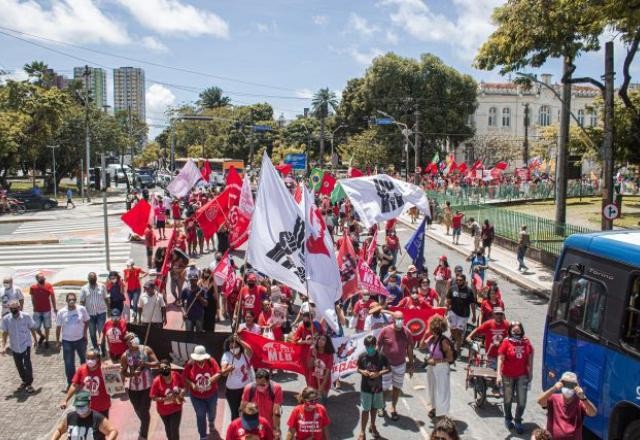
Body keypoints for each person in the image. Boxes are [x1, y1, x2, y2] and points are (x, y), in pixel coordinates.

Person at [497, 321, 534, 434]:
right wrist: (498, 374)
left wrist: (531, 372)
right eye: (514, 330)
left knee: (522, 401)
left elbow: (530, 356)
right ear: (510, 331)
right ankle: (508, 418)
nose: (516, 332)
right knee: (507, 399)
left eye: (518, 330)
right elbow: (500, 358)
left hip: (522, 375)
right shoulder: (506, 342)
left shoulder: (526, 342)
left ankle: (518, 420)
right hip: (507, 375)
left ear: (521, 330)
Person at [377, 310, 414, 421]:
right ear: (393, 320)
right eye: (398, 319)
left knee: (397, 387)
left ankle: (393, 407)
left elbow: (410, 349)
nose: (400, 321)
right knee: (384, 388)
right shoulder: (385, 330)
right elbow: (378, 346)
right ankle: (382, 405)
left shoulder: (407, 332)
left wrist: (411, 365)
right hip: (386, 366)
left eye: (401, 319)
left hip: (400, 365)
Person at [537, 371, 597, 440]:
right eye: (565, 384)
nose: (568, 388)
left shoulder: (580, 402)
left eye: (571, 385)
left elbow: (593, 413)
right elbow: (540, 401)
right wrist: (554, 388)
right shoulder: (553, 398)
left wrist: (583, 397)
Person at [120, 332, 158, 440]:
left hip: (147, 387)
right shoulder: (125, 356)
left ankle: (143, 435)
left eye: (134, 337)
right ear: (127, 343)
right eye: (130, 339)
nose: (133, 339)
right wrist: (132, 374)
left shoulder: (146, 350)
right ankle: (144, 425)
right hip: (133, 388)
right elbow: (123, 372)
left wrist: (146, 363)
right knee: (138, 410)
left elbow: (157, 363)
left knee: (144, 411)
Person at [183, 345, 226, 440]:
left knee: (212, 412)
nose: (199, 361)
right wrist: (192, 385)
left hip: (212, 394)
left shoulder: (211, 361)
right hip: (196, 396)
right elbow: (185, 377)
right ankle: (202, 435)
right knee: (200, 415)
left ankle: (211, 422)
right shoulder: (189, 364)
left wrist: (211, 380)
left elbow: (219, 373)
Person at [419, 315, 454, 419]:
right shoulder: (431, 338)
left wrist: (436, 361)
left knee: (442, 390)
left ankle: (442, 414)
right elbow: (421, 346)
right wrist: (425, 334)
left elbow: (450, 358)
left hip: (442, 367)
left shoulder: (444, 341)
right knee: (432, 388)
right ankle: (434, 408)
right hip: (432, 367)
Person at [357, 335, 390, 440]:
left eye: (371, 346)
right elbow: (357, 368)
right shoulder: (362, 356)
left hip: (377, 388)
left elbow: (389, 369)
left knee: (374, 408)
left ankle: (373, 425)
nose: (369, 348)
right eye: (367, 346)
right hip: (365, 388)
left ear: (375, 345)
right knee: (365, 410)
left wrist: (378, 373)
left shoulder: (381, 356)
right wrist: (363, 371)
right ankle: (362, 432)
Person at [61, 348, 111, 417]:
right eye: (87, 358)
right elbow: (74, 385)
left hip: (102, 406)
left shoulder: (106, 369)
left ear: (98, 358)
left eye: (92, 358)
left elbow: (115, 385)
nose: (89, 360)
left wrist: (119, 374)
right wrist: (65, 400)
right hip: (85, 408)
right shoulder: (81, 369)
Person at [1, 299, 36, 393]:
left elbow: (32, 328)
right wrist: (3, 346)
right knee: (19, 365)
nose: (13, 310)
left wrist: (35, 340)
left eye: (15, 308)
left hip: (26, 344)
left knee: (27, 364)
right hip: (14, 346)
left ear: (19, 307)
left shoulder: (26, 316)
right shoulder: (6, 319)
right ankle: (24, 380)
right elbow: (4, 333)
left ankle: (29, 384)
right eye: (11, 308)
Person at [51, 391, 118, 440]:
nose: (80, 409)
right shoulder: (70, 417)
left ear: (89, 404)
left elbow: (113, 431)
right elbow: (59, 430)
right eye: (78, 406)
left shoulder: (97, 418)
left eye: (83, 406)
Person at [56, 292, 90, 386]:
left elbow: (87, 321)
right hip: (67, 341)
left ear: (76, 300)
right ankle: (72, 382)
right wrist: (58, 341)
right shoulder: (61, 312)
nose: (71, 301)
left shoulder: (82, 309)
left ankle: (85, 379)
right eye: (70, 299)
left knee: (84, 360)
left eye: (73, 299)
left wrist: (84, 333)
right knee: (69, 363)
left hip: (80, 340)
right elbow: (58, 327)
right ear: (66, 300)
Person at [150, 359, 185, 440]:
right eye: (162, 369)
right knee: (168, 429)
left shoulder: (176, 375)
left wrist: (181, 393)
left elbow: (183, 388)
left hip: (176, 408)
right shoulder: (156, 381)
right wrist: (165, 399)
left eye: (166, 367)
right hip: (163, 411)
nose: (164, 370)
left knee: (174, 430)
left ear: (170, 367)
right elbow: (153, 397)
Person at [241, 369, 283, 435]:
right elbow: (243, 409)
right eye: (258, 384)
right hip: (254, 426)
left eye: (263, 385)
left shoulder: (276, 388)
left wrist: (276, 428)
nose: (260, 387)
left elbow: (276, 412)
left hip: (269, 426)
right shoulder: (249, 388)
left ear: (268, 381)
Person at [221, 334, 254, 420]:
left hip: (246, 389)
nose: (234, 349)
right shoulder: (227, 355)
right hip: (232, 391)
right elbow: (223, 372)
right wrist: (228, 369)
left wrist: (240, 340)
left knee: (247, 411)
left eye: (236, 346)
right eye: (231, 347)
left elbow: (250, 350)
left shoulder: (245, 354)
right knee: (235, 413)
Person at [79, 272, 108, 356]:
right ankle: (96, 348)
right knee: (92, 333)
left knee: (101, 332)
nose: (93, 280)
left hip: (101, 313)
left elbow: (106, 298)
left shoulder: (102, 286)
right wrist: (82, 314)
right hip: (90, 314)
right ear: (88, 279)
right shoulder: (84, 288)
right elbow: (82, 301)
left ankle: (103, 348)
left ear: (96, 279)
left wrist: (109, 310)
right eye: (91, 278)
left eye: (94, 278)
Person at [446, 274, 476, 352]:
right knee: (453, 331)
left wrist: (474, 316)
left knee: (458, 332)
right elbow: (448, 300)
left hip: (464, 315)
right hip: (453, 313)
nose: (458, 282)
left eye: (460, 280)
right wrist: (446, 310)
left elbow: (472, 304)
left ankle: (457, 349)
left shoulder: (469, 291)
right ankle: (457, 341)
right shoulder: (452, 289)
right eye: (457, 280)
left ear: (464, 281)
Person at [29, 273, 57, 348]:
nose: (43, 279)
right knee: (35, 327)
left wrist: (54, 308)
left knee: (47, 327)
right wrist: (34, 307)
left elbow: (52, 297)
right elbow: (32, 298)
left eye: (44, 278)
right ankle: (42, 336)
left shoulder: (49, 285)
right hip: (37, 310)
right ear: (37, 279)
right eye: (41, 278)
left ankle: (47, 341)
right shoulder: (33, 287)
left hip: (46, 310)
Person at [306, 334, 334, 403]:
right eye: (319, 339)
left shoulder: (329, 354)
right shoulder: (312, 349)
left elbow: (328, 372)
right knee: (313, 403)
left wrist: (321, 387)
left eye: (323, 340)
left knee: (322, 402)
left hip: (324, 382)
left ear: (327, 343)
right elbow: (309, 366)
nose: (320, 341)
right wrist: (313, 355)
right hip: (313, 381)